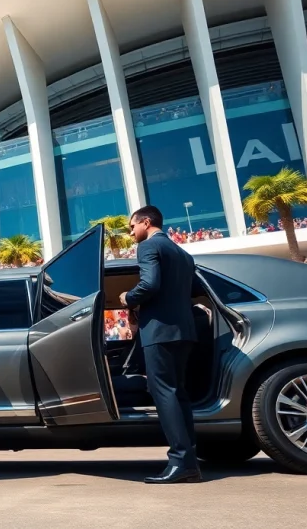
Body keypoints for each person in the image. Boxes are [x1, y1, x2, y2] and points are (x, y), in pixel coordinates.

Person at [118, 205, 201, 484]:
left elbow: (150, 284)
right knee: (179, 395)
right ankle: (189, 461)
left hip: (160, 332)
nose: (130, 232)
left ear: (146, 222)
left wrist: (128, 298)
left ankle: (180, 462)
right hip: (185, 331)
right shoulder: (183, 254)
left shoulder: (148, 247)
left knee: (164, 393)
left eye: (132, 226)